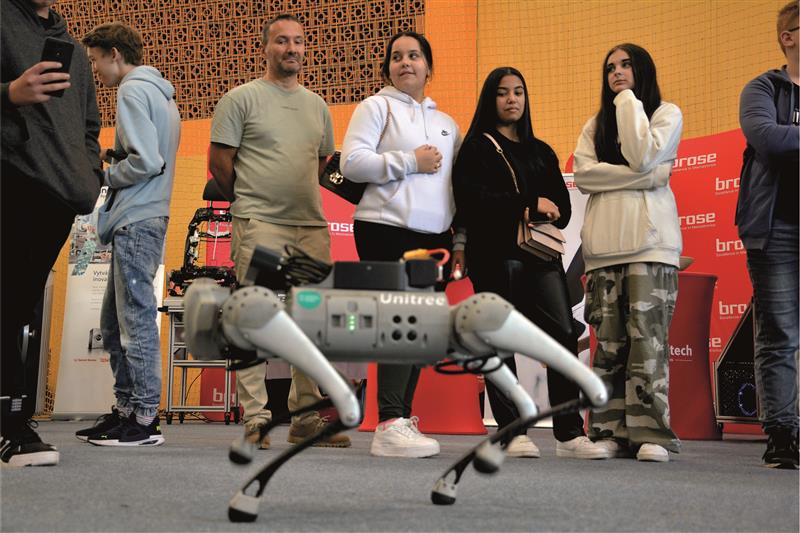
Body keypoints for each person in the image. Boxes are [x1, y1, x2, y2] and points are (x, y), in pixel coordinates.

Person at [208, 14, 350, 450]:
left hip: (310, 226)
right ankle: (256, 417)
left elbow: (322, 162)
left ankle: (305, 418)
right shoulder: (240, 99)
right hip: (260, 223)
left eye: (299, 42)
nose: (292, 49)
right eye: (282, 41)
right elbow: (219, 162)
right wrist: (251, 202)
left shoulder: (318, 106)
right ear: (265, 48)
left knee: (309, 322)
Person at [452, 67, 608, 460]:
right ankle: (511, 432)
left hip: (541, 257)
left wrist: (538, 208)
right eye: (503, 92)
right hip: (493, 256)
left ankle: (569, 434)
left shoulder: (541, 151)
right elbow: (471, 202)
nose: (512, 99)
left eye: (518, 92)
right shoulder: (476, 148)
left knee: (562, 335)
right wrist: (527, 204)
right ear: (490, 99)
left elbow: (564, 209)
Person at [341, 31, 461, 458]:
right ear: (387, 68)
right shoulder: (376, 107)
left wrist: (460, 239)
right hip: (386, 228)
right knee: (401, 322)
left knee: (420, 332)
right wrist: (411, 161)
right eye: (396, 57)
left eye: (414, 56)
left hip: (436, 236)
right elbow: (351, 163)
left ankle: (401, 420)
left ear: (429, 67)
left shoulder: (448, 124)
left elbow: (455, 187)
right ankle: (389, 422)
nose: (405, 62)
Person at [0, 0, 103, 466]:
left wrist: (88, 175)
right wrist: (10, 93)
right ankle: (11, 426)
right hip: (13, 176)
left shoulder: (73, 50)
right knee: (7, 303)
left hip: (60, 194)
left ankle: (12, 421)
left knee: (18, 305)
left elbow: (89, 125)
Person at [71, 22, 181, 447]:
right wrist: (113, 157)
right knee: (114, 323)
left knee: (134, 320)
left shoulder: (132, 90)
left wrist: (104, 175)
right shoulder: (160, 93)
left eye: (96, 59)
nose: (95, 69)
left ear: (115, 53)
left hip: (137, 218)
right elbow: (149, 156)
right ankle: (126, 410)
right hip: (143, 216)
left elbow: (147, 162)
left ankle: (145, 418)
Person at [573, 43, 683, 463]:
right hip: (603, 251)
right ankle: (608, 431)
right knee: (609, 346)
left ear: (643, 70)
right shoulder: (595, 125)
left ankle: (651, 433)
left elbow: (642, 153)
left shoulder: (666, 114)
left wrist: (626, 101)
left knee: (648, 344)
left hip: (651, 247)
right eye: (610, 69)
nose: (616, 72)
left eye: (625, 65)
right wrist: (645, 177)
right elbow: (585, 176)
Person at [736, 1, 799, 469]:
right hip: (775, 229)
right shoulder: (763, 88)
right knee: (779, 334)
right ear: (788, 37)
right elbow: (769, 139)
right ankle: (782, 434)